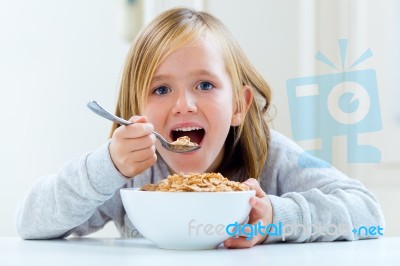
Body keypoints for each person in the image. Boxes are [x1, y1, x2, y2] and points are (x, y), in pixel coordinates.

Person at [15, 7, 384, 248]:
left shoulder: (272, 159)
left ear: (238, 106)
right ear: (135, 115)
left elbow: (369, 214)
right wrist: (106, 166)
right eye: (161, 89)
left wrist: (274, 218)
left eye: (205, 85)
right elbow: (31, 222)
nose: (184, 105)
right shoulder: (128, 175)